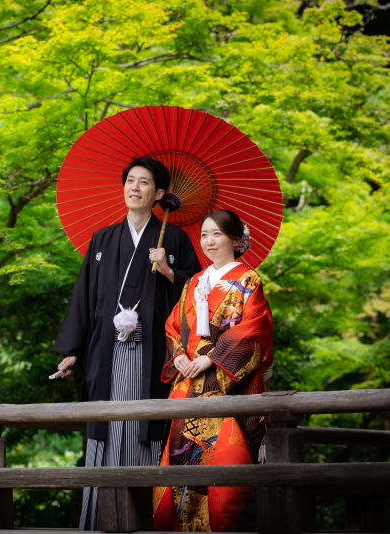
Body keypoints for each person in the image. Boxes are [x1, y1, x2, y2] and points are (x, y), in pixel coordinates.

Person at [53, 156, 202, 531]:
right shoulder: (103, 239)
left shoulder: (175, 239)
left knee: (146, 427)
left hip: (152, 350)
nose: (134, 188)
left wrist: (170, 271)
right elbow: (85, 297)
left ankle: (149, 518)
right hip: (106, 349)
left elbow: (198, 296)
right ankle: (100, 518)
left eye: (144, 183)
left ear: (160, 193)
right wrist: (72, 350)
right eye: (130, 181)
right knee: (106, 425)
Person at [152, 209, 274, 532]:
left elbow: (255, 330)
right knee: (176, 475)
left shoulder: (248, 280)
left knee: (228, 476)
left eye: (217, 234)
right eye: (204, 235)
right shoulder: (194, 280)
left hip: (224, 389)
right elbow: (174, 325)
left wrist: (212, 359)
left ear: (236, 239)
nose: (209, 241)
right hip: (187, 387)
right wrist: (178, 353)